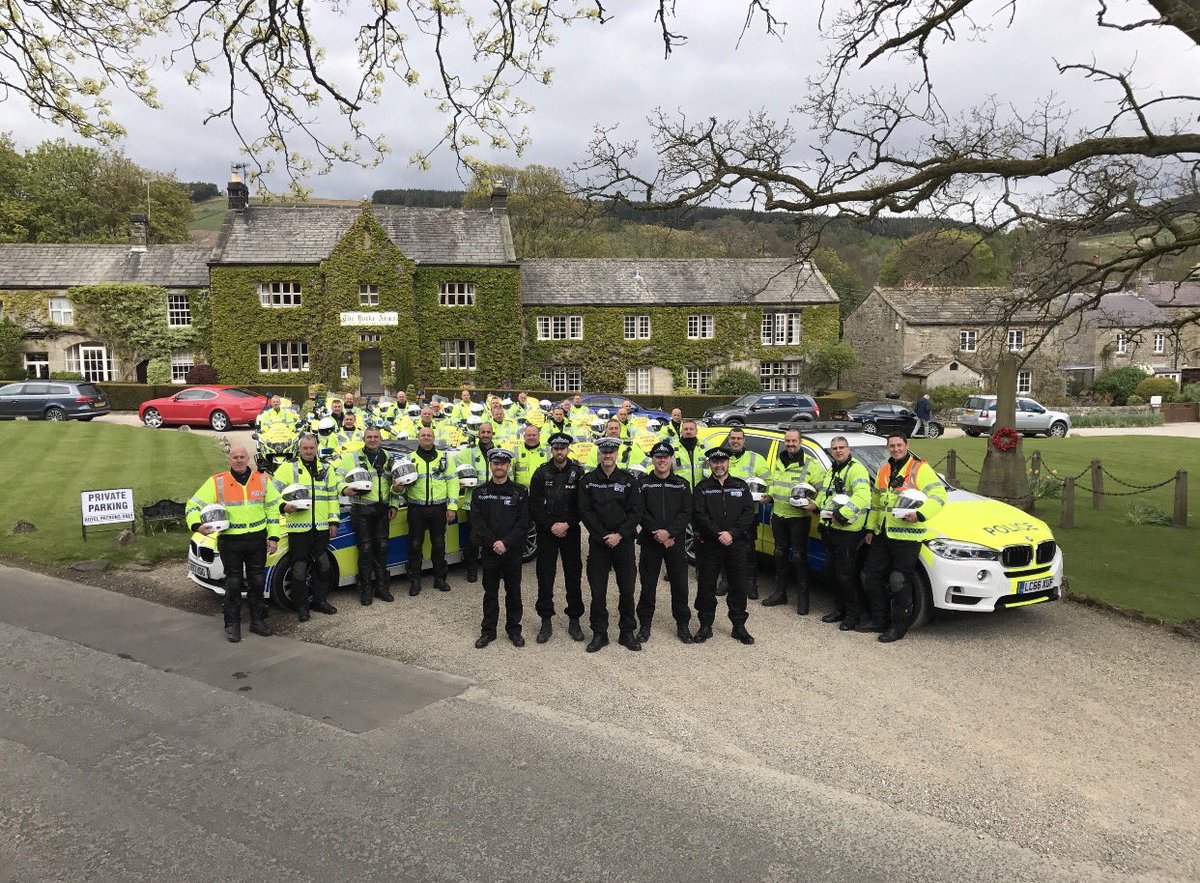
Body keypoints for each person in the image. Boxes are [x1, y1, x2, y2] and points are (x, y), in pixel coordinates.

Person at [186, 444, 280, 642]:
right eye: (235, 457)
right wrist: (196, 525)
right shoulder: (217, 482)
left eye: (242, 457)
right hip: (230, 541)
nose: (239, 460)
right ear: (229, 460)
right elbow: (193, 505)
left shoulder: (262, 480)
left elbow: (272, 510)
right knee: (234, 583)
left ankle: (257, 621)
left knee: (256, 582)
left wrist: (273, 537)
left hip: (256, 539)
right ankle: (232, 624)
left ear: (248, 459)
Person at [862, 434, 947, 642]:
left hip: (907, 537)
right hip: (883, 534)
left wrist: (920, 514)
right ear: (888, 448)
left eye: (899, 445)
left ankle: (898, 627)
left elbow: (939, 496)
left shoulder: (920, 469)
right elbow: (876, 502)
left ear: (906, 446)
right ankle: (879, 620)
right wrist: (870, 529)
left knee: (898, 581)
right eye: (892, 446)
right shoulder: (884, 469)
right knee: (869, 577)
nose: (896, 448)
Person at [578, 437, 644, 652]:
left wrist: (620, 535)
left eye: (611, 452)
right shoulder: (588, 481)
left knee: (627, 590)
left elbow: (636, 511)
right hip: (599, 543)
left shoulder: (628, 480)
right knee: (598, 592)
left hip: (623, 544)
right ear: (599, 454)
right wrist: (604, 535)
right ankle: (600, 633)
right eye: (604, 452)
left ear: (617, 454)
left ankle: (627, 632)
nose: (607, 455)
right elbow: (585, 511)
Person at [272, 434, 340, 621]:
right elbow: (271, 492)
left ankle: (320, 601)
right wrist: (282, 506)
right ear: (299, 449)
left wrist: (333, 521)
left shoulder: (326, 468)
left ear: (316, 448)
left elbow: (332, 497)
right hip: (298, 528)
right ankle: (302, 607)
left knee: (323, 565)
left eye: (312, 448)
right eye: (305, 448)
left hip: (321, 527)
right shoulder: (288, 467)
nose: (309, 451)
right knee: (300, 568)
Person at [692, 447, 756, 645]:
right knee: (706, 586)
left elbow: (748, 513)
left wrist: (732, 533)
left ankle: (738, 626)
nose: (719, 465)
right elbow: (700, 515)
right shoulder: (702, 487)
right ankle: (705, 625)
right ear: (710, 464)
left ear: (728, 463)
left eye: (722, 461)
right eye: (715, 462)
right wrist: (718, 534)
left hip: (735, 544)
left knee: (738, 585)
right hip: (710, 545)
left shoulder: (740, 485)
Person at [528, 432, 586, 643]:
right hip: (547, 531)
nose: (559, 452)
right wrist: (551, 525)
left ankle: (574, 619)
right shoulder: (541, 473)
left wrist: (567, 523)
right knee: (545, 576)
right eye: (556, 448)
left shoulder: (579, 473)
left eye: (563, 448)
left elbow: (583, 505)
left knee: (573, 575)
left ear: (568, 449)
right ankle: (545, 620)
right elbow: (534, 505)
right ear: (551, 450)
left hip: (570, 530)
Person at [470, 448, 530, 648]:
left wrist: (506, 543)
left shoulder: (520, 492)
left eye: (503, 463)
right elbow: (477, 523)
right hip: (490, 551)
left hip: (512, 552)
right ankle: (488, 631)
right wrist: (494, 543)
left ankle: (514, 630)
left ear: (508, 466)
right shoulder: (480, 493)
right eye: (496, 463)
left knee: (514, 593)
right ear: (491, 465)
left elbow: (523, 523)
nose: (499, 467)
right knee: (490, 593)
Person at [636, 441, 694, 644]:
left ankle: (683, 625)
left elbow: (686, 512)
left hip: (674, 542)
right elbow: (639, 512)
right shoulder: (642, 484)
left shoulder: (681, 484)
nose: (662, 460)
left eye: (665, 457)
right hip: (650, 542)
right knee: (647, 585)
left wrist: (669, 533)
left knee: (679, 585)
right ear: (653, 459)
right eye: (658, 457)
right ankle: (644, 625)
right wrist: (657, 533)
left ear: (671, 460)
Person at [761, 429, 825, 614]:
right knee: (779, 554)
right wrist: (769, 495)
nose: (790, 444)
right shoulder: (780, 461)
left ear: (800, 442)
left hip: (798, 519)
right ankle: (780, 594)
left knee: (799, 557)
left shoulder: (811, 465)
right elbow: (775, 483)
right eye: (787, 441)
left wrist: (816, 504)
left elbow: (821, 490)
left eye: (793, 441)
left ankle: (803, 600)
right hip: (779, 516)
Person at [337, 427, 400, 605]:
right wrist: (344, 489)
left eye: (376, 437)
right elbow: (337, 478)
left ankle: (381, 588)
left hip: (382, 510)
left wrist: (394, 504)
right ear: (364, 439)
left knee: (382, 548)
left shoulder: (387, 458)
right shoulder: (353, 457)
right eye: (369, 437)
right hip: (361, 510)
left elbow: (395, 483)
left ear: (381, 439)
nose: (372, 440)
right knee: (365, 550)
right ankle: (366, 590)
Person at [815, 436, 872, 630]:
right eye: (834, 448)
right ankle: (839, 610)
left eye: (841, 448)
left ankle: (853, 616)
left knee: (846, 576)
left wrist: (842, 514)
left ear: (848, 449)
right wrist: (816, 505)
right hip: (830, 529)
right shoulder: (833, 469)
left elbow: (863, 496)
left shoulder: (856, 469)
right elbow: (825, 493)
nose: (838, 451)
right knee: (832, 574)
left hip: (848, 532)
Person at [404, 425, 460, 596]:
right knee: (415, 546)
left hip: (438, 508)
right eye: (423, 435)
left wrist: (452, 507)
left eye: (429, 435)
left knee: (439, 544)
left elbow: (452, 482)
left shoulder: (445, 458)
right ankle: (415, 581)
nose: (426, 437)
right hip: (416, 508)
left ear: (433, 438)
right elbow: (398, 485)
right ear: (418, 439)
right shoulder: (409, 459)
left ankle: (440, 579)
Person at [720, 427, 771, 600]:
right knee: (724, 547)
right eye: (732, 438)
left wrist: (767, 495)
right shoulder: (721, 459)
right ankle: (725, 581)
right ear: (729, 440)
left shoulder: (756, 459)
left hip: (748, 514)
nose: (735, 441)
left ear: (744, 440)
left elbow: (769, 482)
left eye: (738, 438)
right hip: (725, 513)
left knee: (748, 549)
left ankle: (750, 583)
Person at [454, 421, 497, 583]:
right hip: (473, 502)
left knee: (493, 535)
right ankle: (471, 568)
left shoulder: (498, 452)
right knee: (474, 538)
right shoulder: (468, 452)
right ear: (478, 434)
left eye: (488, 432)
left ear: (492, 434)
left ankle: (492, 568)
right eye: (483, 432)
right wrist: (460, 482)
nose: (485, 435)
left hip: (493, 501)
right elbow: (455, 470)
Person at [672, 419, 709, 488]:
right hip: (680, 491)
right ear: (681, 432)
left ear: (696, 431)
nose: (688, 431)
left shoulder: (705, 447)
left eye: (691, 429)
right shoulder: (672, 448)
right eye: (685, 429)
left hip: (701, 490)